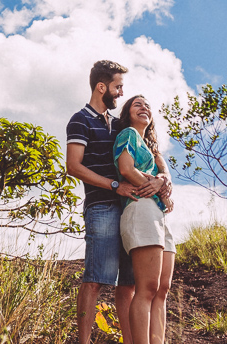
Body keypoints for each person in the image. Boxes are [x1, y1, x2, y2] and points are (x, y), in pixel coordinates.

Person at [66, 61, 168, 344]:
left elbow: (147, 151)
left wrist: (163, 178)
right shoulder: (80, 120)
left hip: (129, 209)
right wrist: (114, 185)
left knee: (128, 284)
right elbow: (73, 166)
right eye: (117, 87)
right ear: (102, 87)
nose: (121, 92)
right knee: (96, 278)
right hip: (102, 206)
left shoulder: (117, 125)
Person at [114, 95, 175, 344]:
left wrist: (162, 183)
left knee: (162, 289)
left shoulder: (154, 151)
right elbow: (127, 169)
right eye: (137, 104)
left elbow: (167, 185)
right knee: (147, 287)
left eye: (147, 105)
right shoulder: (128, 134)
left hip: (159, 215)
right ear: (127, 112)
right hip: (140, 209)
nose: (144, 108)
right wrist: (158, 187)